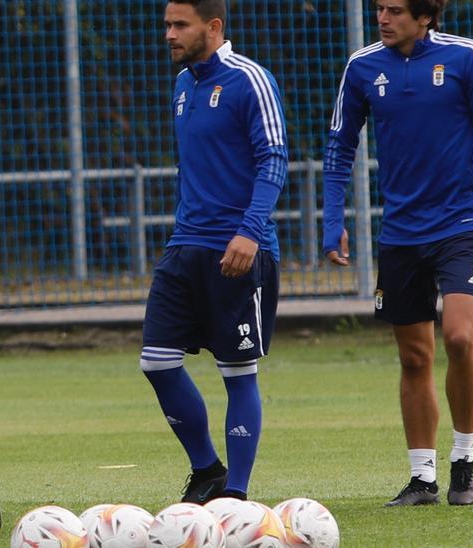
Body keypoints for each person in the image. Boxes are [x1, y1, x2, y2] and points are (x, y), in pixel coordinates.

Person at [323, 0, 473, 507]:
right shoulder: (363, 66)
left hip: (459, 226)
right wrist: (332, 221)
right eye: (379, 9)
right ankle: (422, 479)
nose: (382, 18)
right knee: (413, 358)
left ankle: (462, 461)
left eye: (393, 10)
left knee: (458, 336)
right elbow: (339, 146)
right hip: (400, 235)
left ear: (426, 15)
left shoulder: (467, 57)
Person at [143, 0, 288, 504]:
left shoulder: (250, 79)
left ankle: (237, 498)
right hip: (185, 248)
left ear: (214, 26)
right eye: (167, 24)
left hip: (240, 250)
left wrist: (249, 231)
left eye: (180, 25)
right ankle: (207, 470)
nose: (170, 34)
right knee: (156, 361)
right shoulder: (184, 85)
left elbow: (274, 159)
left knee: (237, 372)